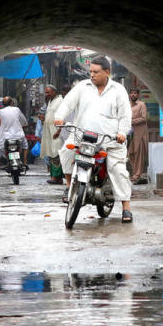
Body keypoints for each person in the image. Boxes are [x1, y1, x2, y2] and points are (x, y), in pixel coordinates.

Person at [54, 56, 134, 223]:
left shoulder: (118, 90)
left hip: (110, 140)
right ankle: (69, 186)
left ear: (107, 72)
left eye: (96, 72)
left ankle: (126, 208)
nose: (92, 75)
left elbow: (125, 115)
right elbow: (67, 103)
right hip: (82, 136)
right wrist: (59, 117)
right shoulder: (82, 87)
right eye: (90, 72)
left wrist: (122, 133)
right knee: (66, 152)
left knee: (119, 171)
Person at [0, 96, 29, 185]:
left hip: (3, 139)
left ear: (2, 104)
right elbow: (24, 122)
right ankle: (25, 162)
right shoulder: (17, 110)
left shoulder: (0, 112)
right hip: (18, 137)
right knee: (25, 146)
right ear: (12, 102)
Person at [40, 84, 65, 184]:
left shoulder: (60, 101)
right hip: (49, 132)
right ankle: (56, 178)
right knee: (52, 153)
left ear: (54, 92)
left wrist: (59, 130)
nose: (47, 94)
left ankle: (56, 177)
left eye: (48, 92)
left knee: (56, 154)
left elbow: (63, 117)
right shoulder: (50, 101)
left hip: (57, 132)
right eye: (46, 93)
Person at [128, 88, 149, 184]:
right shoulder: (127, 105)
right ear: (129, 95)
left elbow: (143, 118)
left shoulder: (142, 105)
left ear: (138, 95)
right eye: (131, 93)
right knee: (131, 153)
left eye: (135, 93)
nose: (133, 95)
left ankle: (137, 174)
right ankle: (134, 173)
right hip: (129, 133)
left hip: (140, 133)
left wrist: (131, 122)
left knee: (138, 154)